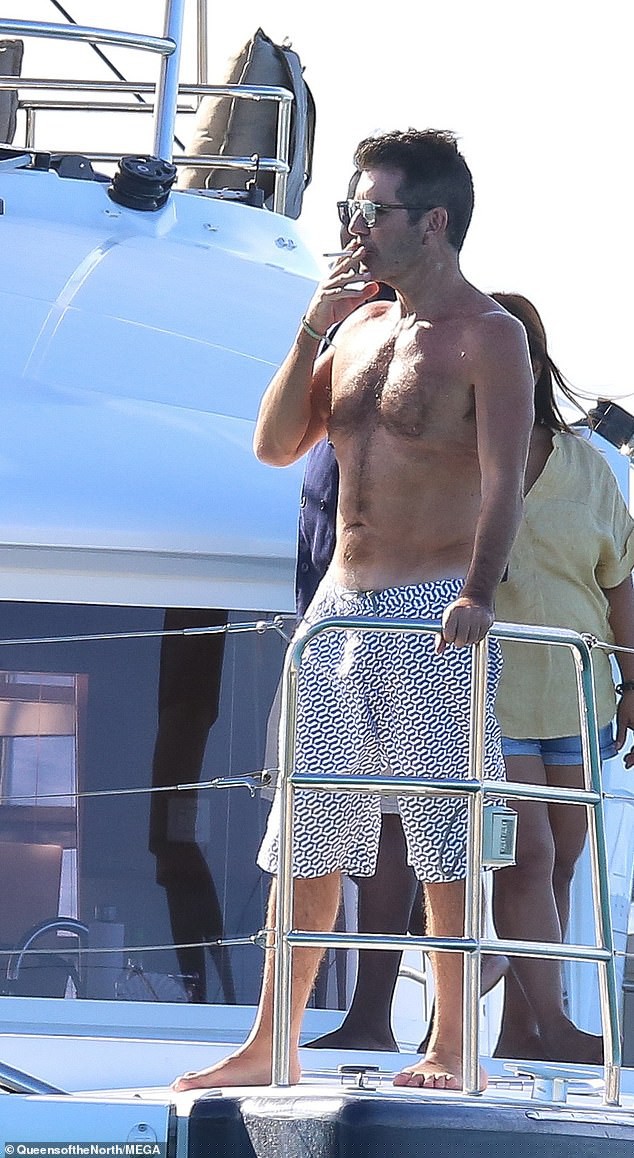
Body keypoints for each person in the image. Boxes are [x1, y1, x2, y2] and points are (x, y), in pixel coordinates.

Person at [172, 127, 534, 1093]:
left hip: (433, 609)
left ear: (433, 222)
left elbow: (506, 483)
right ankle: (273, 1041)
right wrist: (310, 327)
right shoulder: (359, 327)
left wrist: (479, 591)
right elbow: (275, 445)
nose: (353, 228)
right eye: (349, 209)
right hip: (338, 611)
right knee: (308, 831)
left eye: (371, 211)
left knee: (444, 838)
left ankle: (453, 1048)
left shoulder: (490, 337)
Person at [489, 292, 634, 1062]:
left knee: (565, 863)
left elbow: (620, 582)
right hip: (490, 692)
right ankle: (552, 1024)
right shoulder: (455, 453)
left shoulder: (590, 465)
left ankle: (520, 1028)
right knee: (530, 856)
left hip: (579, 695)